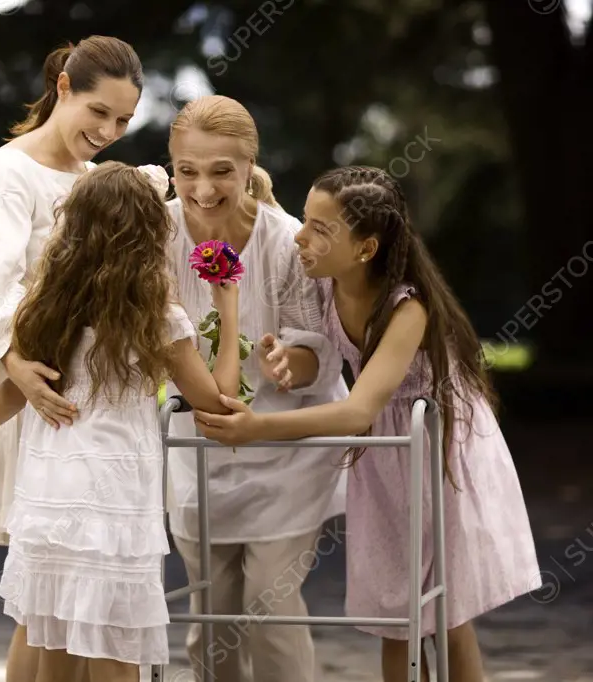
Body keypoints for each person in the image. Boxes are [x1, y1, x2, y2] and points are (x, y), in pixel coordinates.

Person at [192, 166, 541, 682]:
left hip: (435, 445)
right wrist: (287, 357)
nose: (301, 236)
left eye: (320, 228)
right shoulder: (326, 288)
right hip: (385, 450)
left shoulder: (407, 307)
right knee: (394, 606)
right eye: (305, 220)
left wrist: (256, 428)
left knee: (441, 607)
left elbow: (359, 409)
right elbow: (319, 354)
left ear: (365, 248)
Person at [0, 161, 244, 682]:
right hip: (113, 503)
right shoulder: (156, 314)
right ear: (148, 235)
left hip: (50, 494)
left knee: (55, 645)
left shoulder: (49, 306)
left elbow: (18, 391)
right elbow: (214, 398)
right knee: (115, 651)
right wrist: (228, 312)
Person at [0, 35, 143, 682]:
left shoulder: (96, 182)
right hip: (37, 397)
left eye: (123, 121)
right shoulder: (7, 174)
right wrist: (17, 367)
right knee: (47, 604)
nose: (109, 131)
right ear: (63, 87)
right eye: (99, 112)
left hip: (89, 408)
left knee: (57, 608)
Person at [146, 95, 348, 682]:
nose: (202, 188)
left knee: (269, 607)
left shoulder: (286, 241)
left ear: (248, 166)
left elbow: (320, 349)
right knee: (210, 616)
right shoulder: (154, 235)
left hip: (283, 454)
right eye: (187, 171)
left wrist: (291, 363)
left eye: (221, 172)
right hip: (196, 446)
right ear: (172, 165)